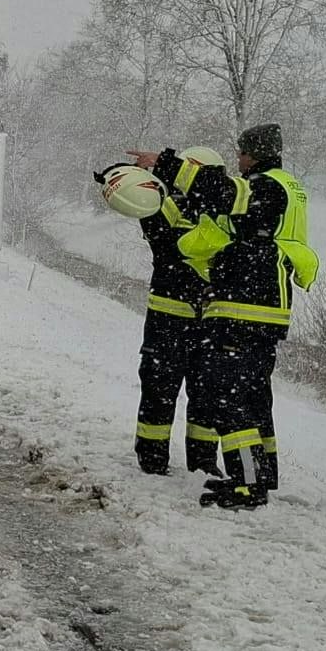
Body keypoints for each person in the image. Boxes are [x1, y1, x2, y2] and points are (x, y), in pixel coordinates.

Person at [129, 124, 317, 510]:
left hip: (244, 305)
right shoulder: (290, 188)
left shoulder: (267, 186)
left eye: (242, 154)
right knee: (251, 393)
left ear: (255, 154)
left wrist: (164, 164)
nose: (238, 160)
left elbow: (223, 193)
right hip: (266, 306)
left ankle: (248, 483)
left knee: (224, 396)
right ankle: (263, 475)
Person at [100, 145, 226, 478]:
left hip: (177, 321)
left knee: (188, 392)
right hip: (186, 320)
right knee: (180, 392)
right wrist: (124, 174)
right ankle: (169, 460)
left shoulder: (186, 208)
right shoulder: (165, 204)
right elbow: (137, 196)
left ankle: (184, 460)